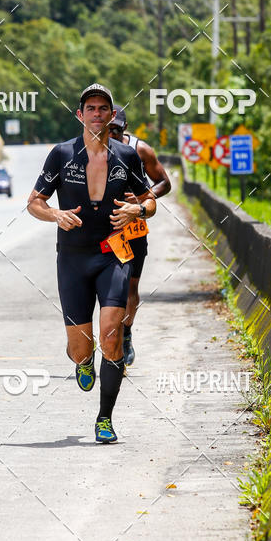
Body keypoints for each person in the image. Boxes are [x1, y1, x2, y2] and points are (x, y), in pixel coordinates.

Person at [27, 84, 156, 443]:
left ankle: (104, 419)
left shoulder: (126, 157)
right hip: (72, 259)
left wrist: (136, 209)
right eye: (91, 108)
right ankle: (83, 362)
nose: (98, 113)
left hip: (113, 254)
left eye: (104, 108)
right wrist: (54, 214)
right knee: (82, 346)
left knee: (112, 335)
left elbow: (150, 201)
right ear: (80, 114)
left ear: (112, 116)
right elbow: (34, 202)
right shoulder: (61, 154)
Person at [108, 105, 171, 367]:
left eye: (116, 130)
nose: (111, 135)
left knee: (130, 286)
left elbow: (165, 182)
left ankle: (126, 333)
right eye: (106, 129)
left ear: (125, 128)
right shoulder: (89, 149)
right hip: (106, 229)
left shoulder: (140, 149)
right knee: (109, 287)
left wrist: (144, 198)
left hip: (133, 228)